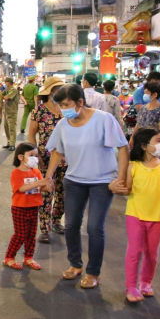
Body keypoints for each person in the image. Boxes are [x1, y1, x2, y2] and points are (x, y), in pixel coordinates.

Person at [45, 84, 129, 289]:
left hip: (102, 182)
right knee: (72, 224)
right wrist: (48, 177)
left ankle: (93, 272)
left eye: (66, 104)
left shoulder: (103, 119)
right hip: (74, 181)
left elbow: (123, 147)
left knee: (94, 227)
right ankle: (75, 265)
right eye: (60, 105)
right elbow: (57, 151)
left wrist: (121, 179)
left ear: (80, 102)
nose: (63, 109)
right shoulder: (63, 124)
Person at [123, 127, 160, 303]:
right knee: (134, 251)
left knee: (152, 253)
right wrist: (115, 186)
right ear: (145, 146)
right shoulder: (133, 167)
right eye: (158, 141)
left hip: (157, 218)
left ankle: (145, 282)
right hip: (135, 215)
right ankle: (131, 286)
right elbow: (127, 189)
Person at [28, 77, 67, 243]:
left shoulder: (68, 110)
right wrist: (35, 155)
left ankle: (57, 220)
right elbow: (31, 134)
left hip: (68, 160)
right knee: (45, 193)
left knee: (63, 194)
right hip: (45, 158)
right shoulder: (39, 111)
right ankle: (44, 228)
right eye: (58, 89)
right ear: (51, 92)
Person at [3, 142, 51, 271]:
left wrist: (47, 186)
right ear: (20, 157)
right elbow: (22, 188)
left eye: (36, 155)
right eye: (31, 155)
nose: (35, 158)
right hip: (20, 207)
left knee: (31, 235)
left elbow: (42, 188)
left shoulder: (36, 172)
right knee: (20, 235)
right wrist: (39, 182)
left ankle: (28, 257)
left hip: (33, 207)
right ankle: (9, 257)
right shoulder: (16, 173)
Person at [2, 77, 19, 151]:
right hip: (6, 112)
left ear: (8, 83)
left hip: (12, 112)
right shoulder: (7, 90)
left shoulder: (13, 90)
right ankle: (9, 142)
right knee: (6, 128)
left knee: (11, 128)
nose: (4, 84)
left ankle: (12, 144)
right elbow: (1, 94)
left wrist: (0, 96)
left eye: (5, 82)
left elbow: (6, 98)